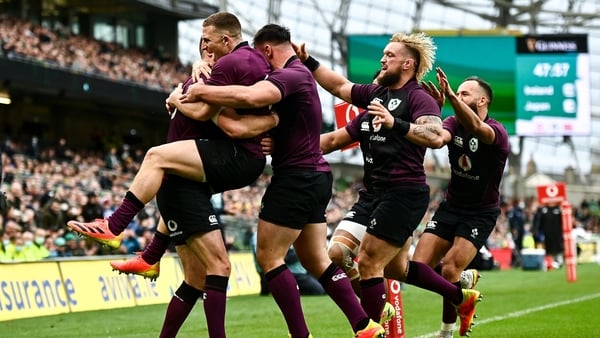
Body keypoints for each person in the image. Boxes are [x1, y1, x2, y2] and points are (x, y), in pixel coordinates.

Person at [70, 12, 278, 338]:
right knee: (196, 277)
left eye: (207, 41)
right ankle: (151, 256)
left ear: (224, 41)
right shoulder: (213, 69)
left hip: (201, 169)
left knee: (157, 159)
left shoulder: (225, 67)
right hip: (187, 177)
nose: (204, 47)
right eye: (201, 44)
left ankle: (116, 227)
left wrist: (176, 98)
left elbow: (211, 112)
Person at [180, 23, 385, 338]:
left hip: (296, 178)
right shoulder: (301, 76)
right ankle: (364, 325)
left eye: (263, 61)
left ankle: (300, 335)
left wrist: (200, 90)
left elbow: (250, 96)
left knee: (269, 257)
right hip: (316, 175)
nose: (262, 68)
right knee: (316, 259)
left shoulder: (289, 74)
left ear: (266, 50)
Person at [294, 32, 482, 336]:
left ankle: (370, 327)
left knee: (368, 262)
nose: (382, 59)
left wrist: (397, 124)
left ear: (407, 63)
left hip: (403, 194)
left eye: (389, 55)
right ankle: (459, 296)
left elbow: (434, 136)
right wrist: (308, 62)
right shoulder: (375, 97)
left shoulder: (418, 97)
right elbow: (338, 99)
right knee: (348, 256)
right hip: (372, 195)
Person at [415, 68, 509, 337]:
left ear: (482, 101)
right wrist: (434, 110)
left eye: (464, 93)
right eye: (458, 92)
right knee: (418, 268)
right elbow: (438, 139)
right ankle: (462, 287)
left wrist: (450, 98)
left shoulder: (497, 132)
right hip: (450, 206)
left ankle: (446, 330)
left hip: (480, 213)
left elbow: (478, 128)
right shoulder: (453, 122)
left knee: (449, 268)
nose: (457, 95)